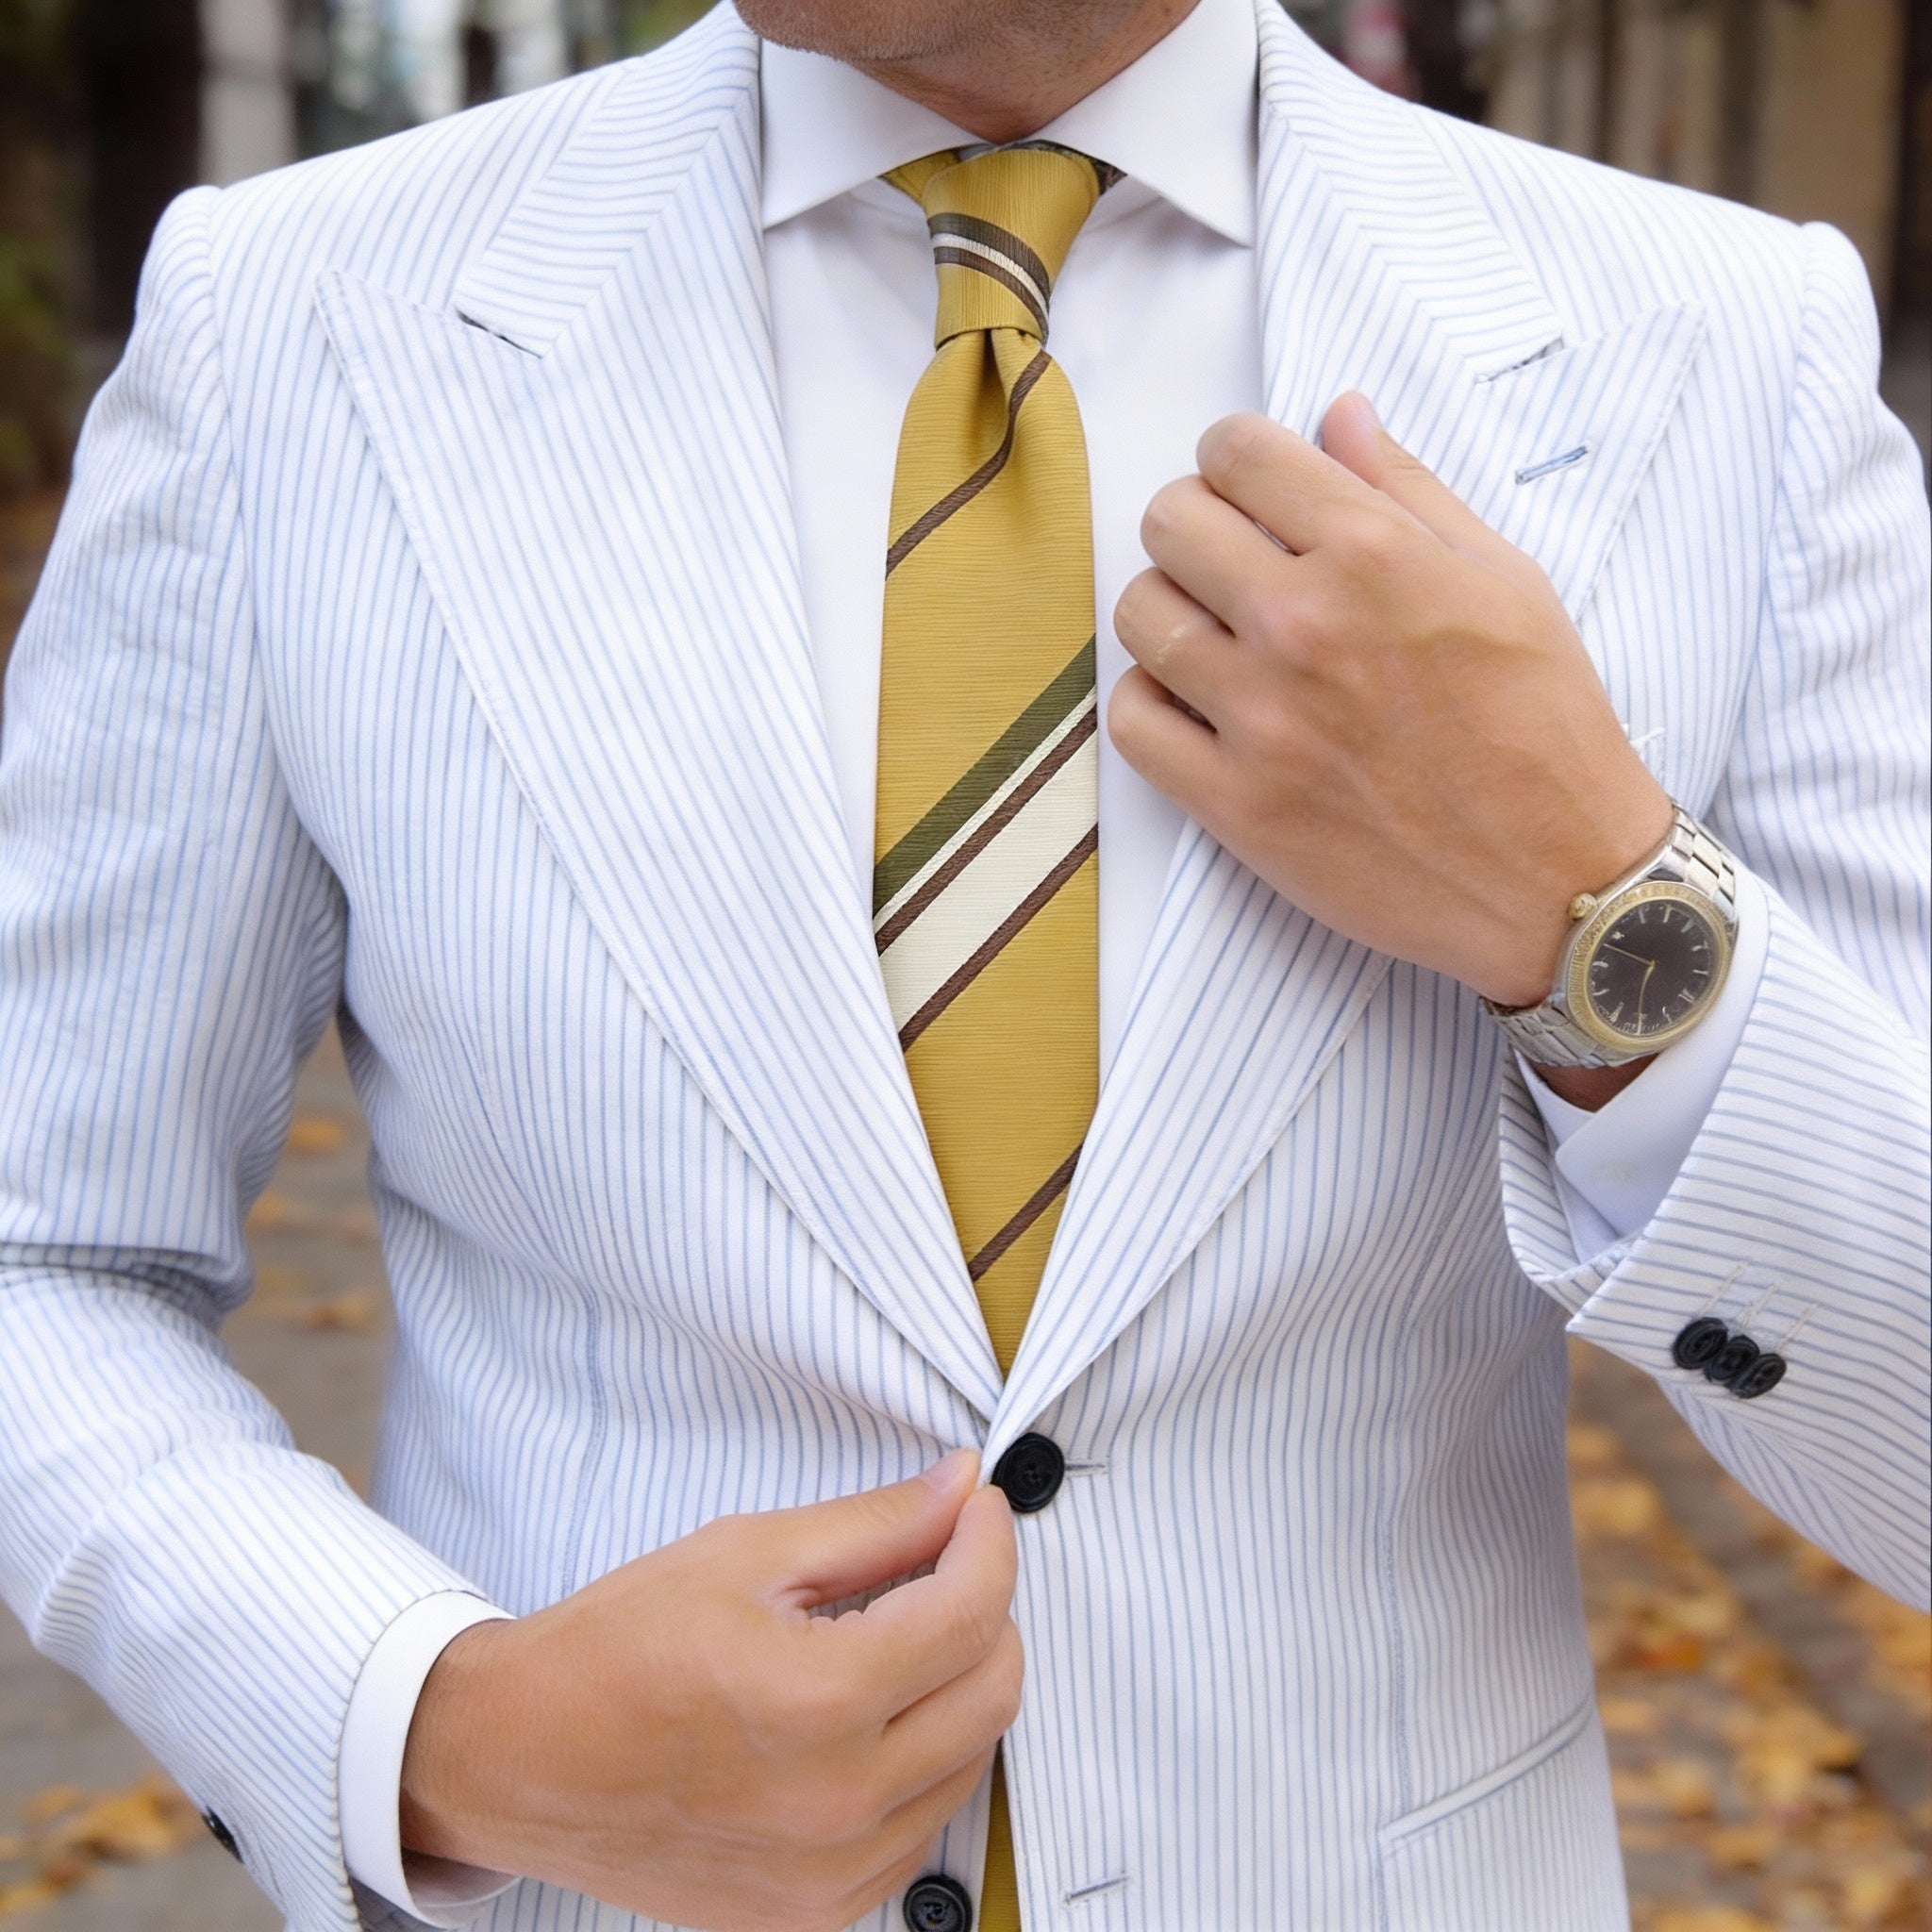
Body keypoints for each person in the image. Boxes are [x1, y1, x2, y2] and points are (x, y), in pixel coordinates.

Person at [0, 0, 1925, 1925]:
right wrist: (429, 1726)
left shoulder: (1722, 356)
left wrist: (1595, 918)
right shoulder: (289, 323)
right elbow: (44, 1252)